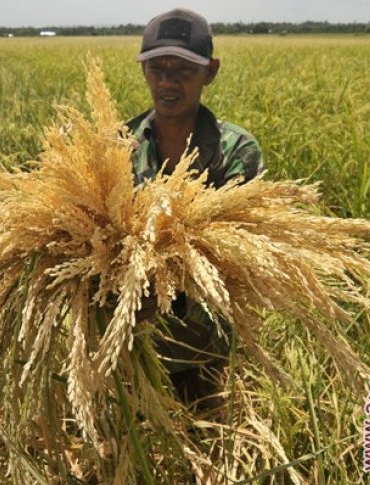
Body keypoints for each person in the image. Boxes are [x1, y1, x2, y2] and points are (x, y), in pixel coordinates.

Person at [126, 8, 264, 411]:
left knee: (204, 441)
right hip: (127, 339)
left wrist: (171, 286)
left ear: (211, 71)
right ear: (144, 72)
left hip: (202, 343)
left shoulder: (236, 152)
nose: (167, 83)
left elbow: (236, 254)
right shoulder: (117, 146)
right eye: (157, 69)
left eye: (184, 70)